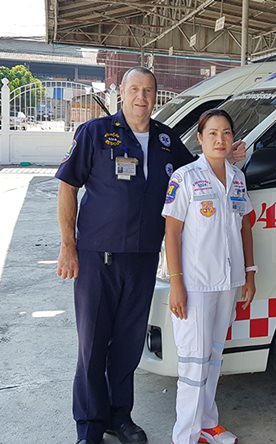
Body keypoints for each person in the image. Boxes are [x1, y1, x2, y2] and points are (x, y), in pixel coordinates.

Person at [55, 67, 245, 444]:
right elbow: (67, 185)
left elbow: (198, 168)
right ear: (121, 93)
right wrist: (68, 245)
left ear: (155, 96)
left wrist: (230, 153)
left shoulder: (164, 139)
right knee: (93, 345)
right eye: (135, 89)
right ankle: (90, 426)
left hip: (142, 259)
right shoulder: (95, 133)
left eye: (149, 90)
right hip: (98, 257)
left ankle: (119, 417)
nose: (142, 97)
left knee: (127, 344)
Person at [163, 109, 255, 444]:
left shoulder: (237, 178)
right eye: (212, 133)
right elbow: (172, 233)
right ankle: (184, 435)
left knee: (214, 355)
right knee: (192, 363)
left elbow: (244, 225)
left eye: (226, 133)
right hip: (195, 284)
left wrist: (249, 274)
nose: (220, 139)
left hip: (228, 282)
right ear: (200, 139)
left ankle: (206, 423)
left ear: (233, 139)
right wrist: (176, 283)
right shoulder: (185, 177)